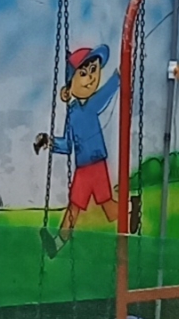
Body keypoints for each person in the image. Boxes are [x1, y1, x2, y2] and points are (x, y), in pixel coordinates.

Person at [33, 43, 120, 255]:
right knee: (74, 207)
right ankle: (57, 244)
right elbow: (68, 145)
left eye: (93, 70)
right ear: (68, 88)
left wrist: (119, 76)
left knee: (108, 207)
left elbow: (106, 92)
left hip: (96, 165)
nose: (90, 78)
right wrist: (49, 142)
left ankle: (129, 210)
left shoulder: (91, 105)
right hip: (82, 168)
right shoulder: (72, 114)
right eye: (83, 73)